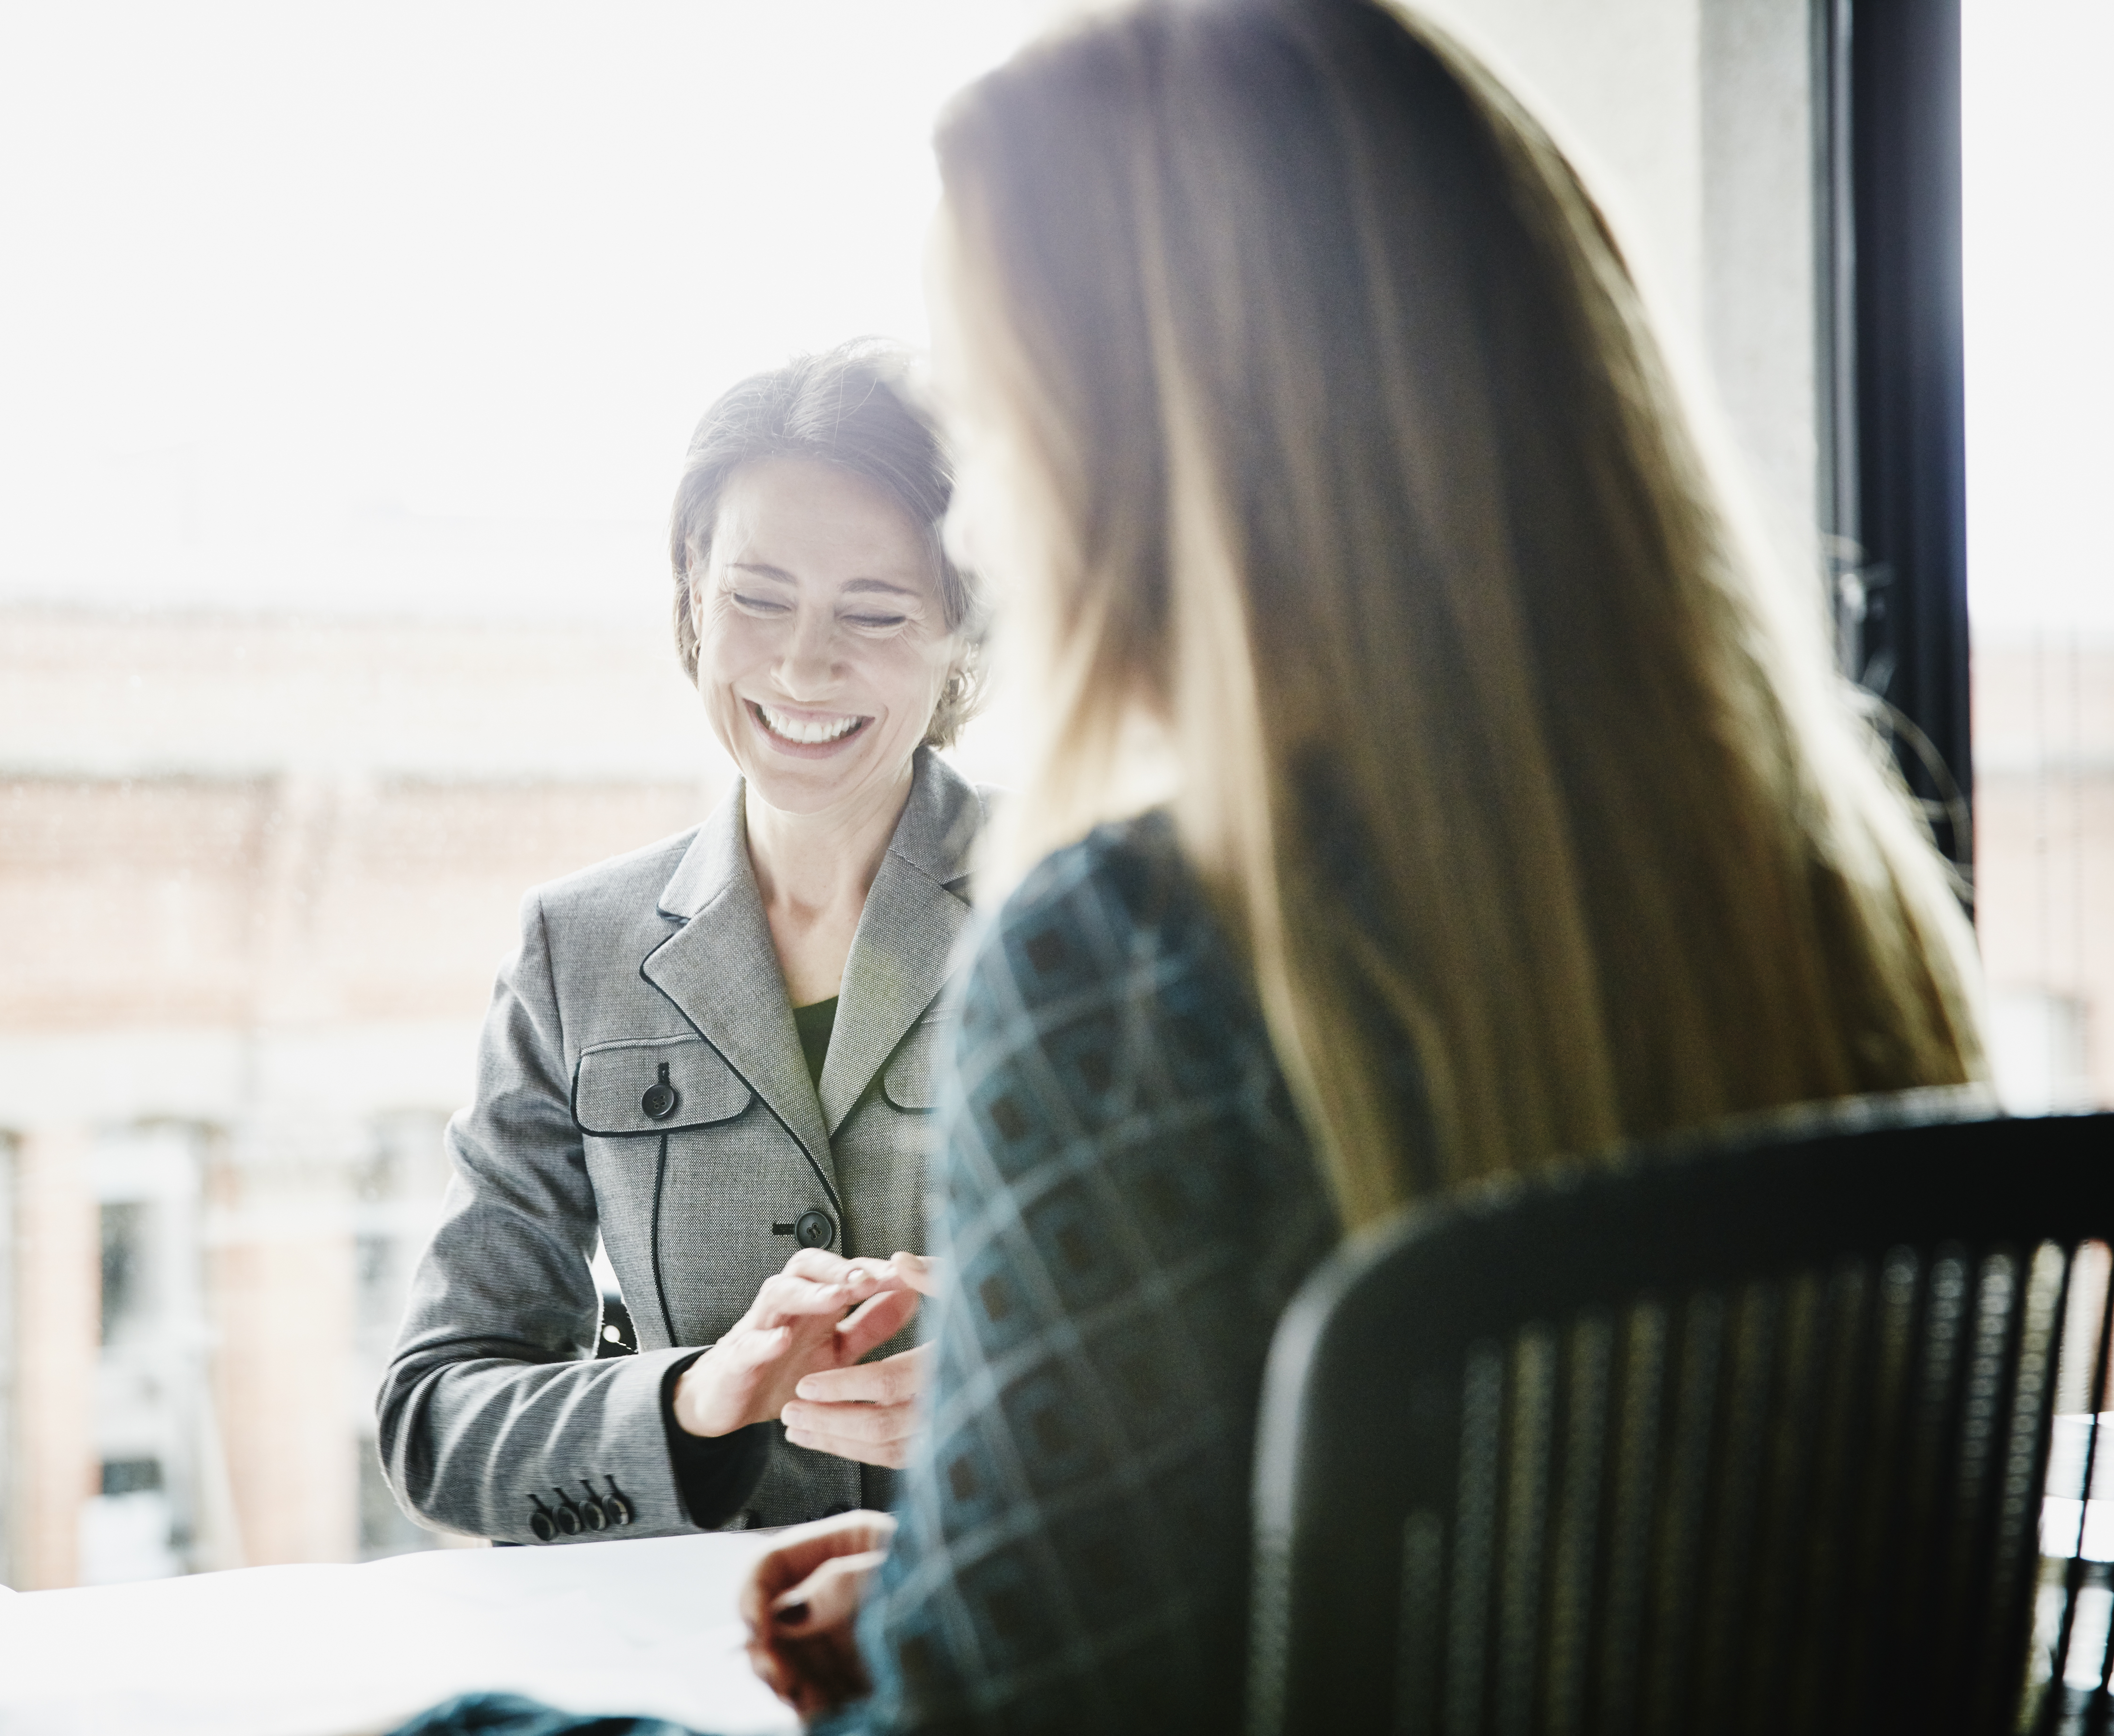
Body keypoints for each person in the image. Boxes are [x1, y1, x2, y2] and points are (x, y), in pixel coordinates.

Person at [395, 0, 1985, 1730]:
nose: (988, 525)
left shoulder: (1136, 942)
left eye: (1004, 429)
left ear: (1168, 454)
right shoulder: (1833, 902)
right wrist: (994, 1582)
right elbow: (1548, 1530)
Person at [378, 341, 988, 1543]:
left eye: (873, 612)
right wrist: (689, 1402)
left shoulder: (1092, 911)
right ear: (691, 599)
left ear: (961, 635)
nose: (803, 664)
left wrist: (1021, 1399)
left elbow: (1265, 1327)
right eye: (756, 598)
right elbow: (435, 1413)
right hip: (692, 1664)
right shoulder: (575, 950)